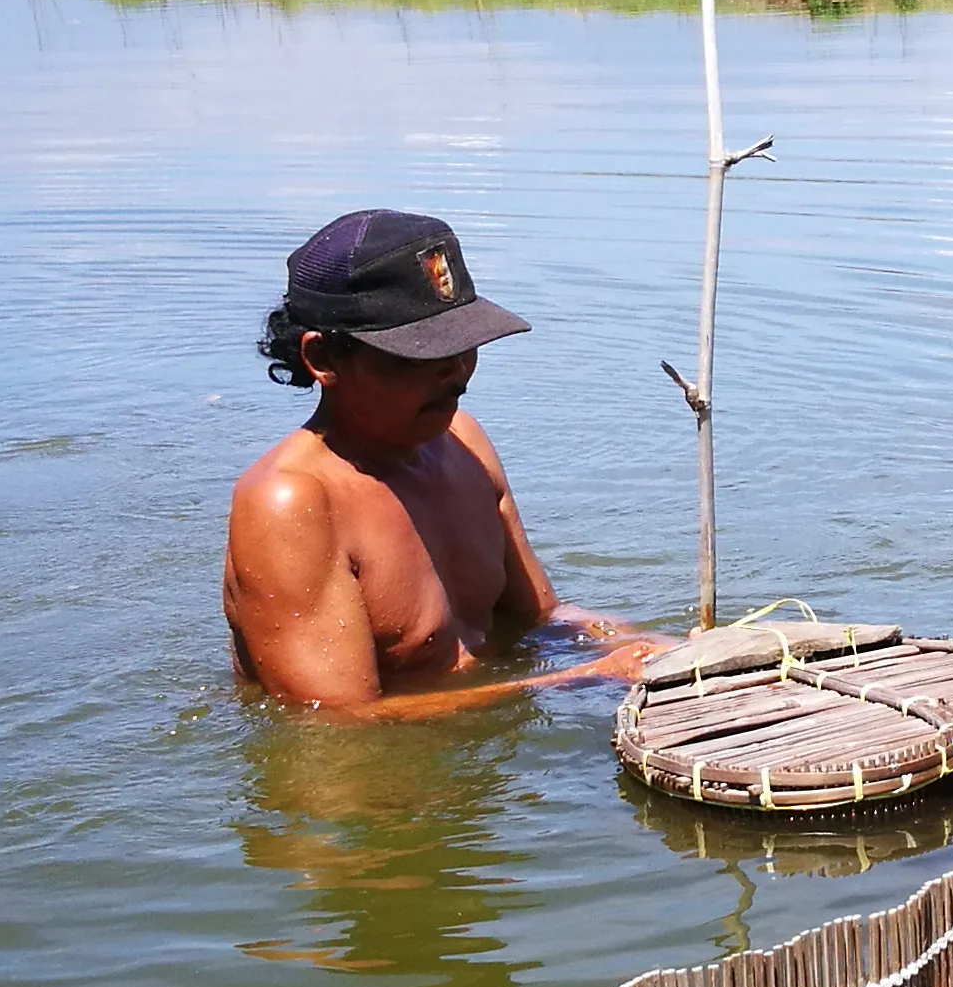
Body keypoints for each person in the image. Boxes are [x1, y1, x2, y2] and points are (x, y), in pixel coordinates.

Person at [225, 210, 666, 716]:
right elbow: (338, 721)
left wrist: (655, 650)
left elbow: (541, 618)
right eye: (420, 354)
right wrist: (580, 680)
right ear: (323, 359)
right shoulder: (290, 502)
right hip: (374, 789)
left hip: (492, 770)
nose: (456, 372)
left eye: (463, 345)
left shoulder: (463, 441)